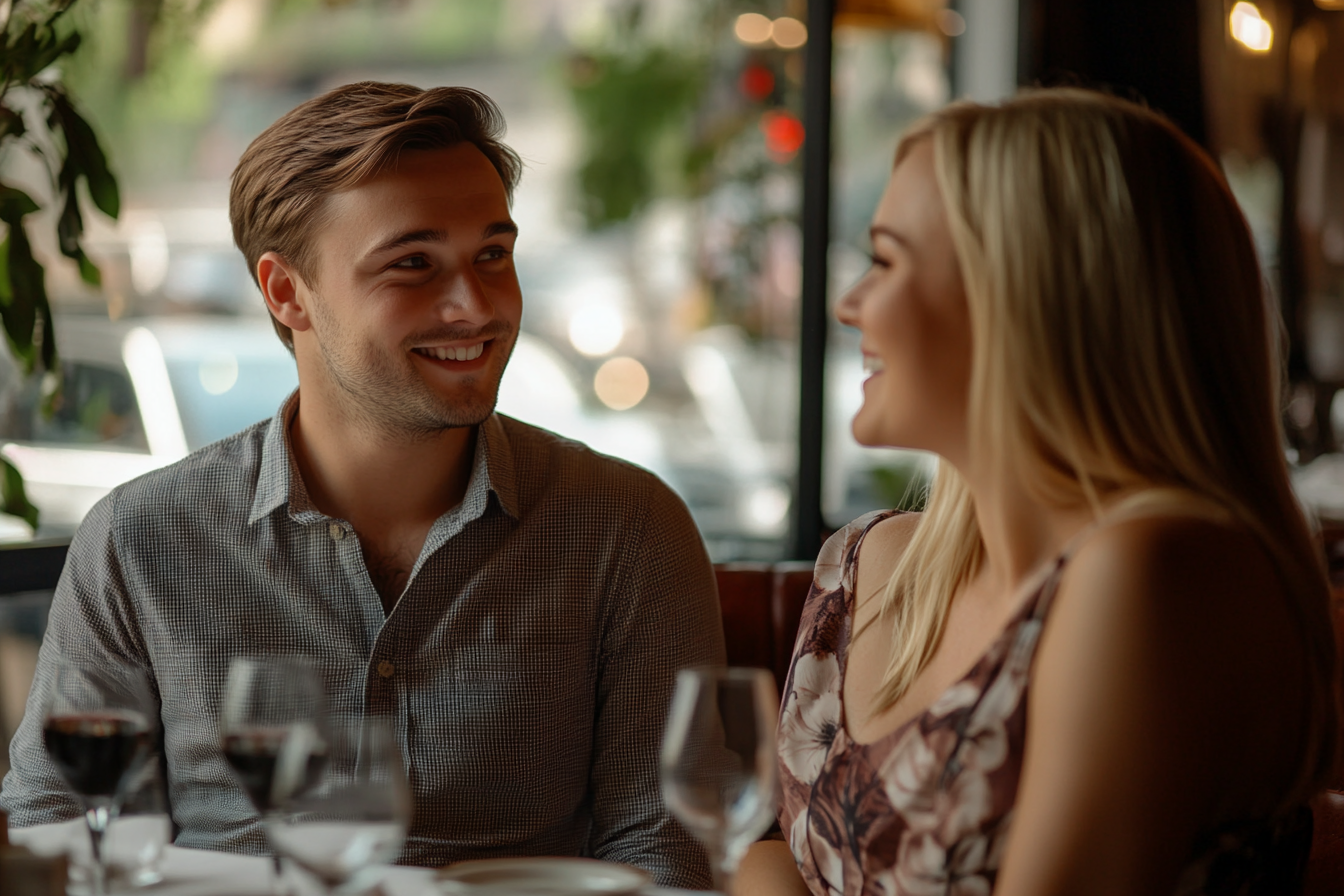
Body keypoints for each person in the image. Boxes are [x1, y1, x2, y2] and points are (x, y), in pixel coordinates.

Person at [1, 81, 724, 888]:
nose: (475, 306)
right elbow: (63, 834)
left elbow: (664, 856)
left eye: (493, 255)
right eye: (413, 264)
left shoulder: (625, 529)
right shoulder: (140, 541)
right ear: (286, 293)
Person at [739, 89, 1340, 895]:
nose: (849, 304)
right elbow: (777, 854)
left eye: (884, 259)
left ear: (1022, 292)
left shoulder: (1154, 569)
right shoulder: (867, 563)